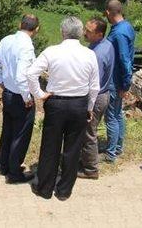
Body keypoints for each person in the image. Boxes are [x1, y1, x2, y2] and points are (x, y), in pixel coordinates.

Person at [27, 16, 100, 201]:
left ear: (62, 32)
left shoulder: (52, 51)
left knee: (50, 146)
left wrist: (40, 94)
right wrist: (90, 107)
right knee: (73, 149)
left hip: (56, 103)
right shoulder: (89, 54)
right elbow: (95, 87)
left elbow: (31, 73)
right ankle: (64, 190)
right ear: (81, 33)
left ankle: (44, 189)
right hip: (79, 104)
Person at [0, 14, 39, 184]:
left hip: (8, 93)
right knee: (21, 134)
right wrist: (26, 97)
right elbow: (22, 76)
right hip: (20, 96)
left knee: (8, 130)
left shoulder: (6, 40)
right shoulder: (27, 46)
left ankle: (4, 165)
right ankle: (14, 172)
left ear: (20, 24)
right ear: (36, 29)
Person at [78, 17, 115, 179]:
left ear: (99, 34)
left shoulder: (97, 54)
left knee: (88, 133)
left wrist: (88, 106)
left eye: (89, 31)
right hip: (102, 94)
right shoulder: (105, 44)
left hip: (96, 97)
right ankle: (84, 160)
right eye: (85, 28)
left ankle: (91, 169)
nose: (85, 33)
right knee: (86, 131)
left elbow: (94, 84)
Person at [104, 0, 135, 163]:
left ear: (109, 12)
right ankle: (117, 147)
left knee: (111, 116)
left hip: (115, 81)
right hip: (118, 80)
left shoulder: (119, 33)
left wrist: (125, 83)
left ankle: (111, 154)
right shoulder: (126, 26)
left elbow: (124, 59)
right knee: (118, 114)